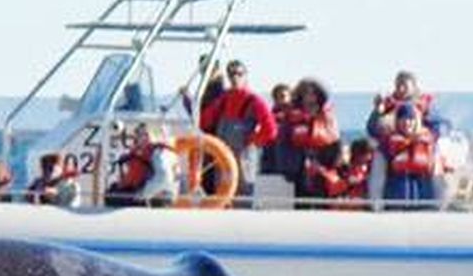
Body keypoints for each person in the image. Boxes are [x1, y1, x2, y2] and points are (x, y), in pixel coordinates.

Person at [197, 60, 276, 203]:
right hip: (223, 156)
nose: (235, 77)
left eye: (239, 73)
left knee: (243, 194)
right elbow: (204, 122)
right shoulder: (223, 99)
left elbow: (270, 130)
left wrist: (251, 140)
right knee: (221, 193)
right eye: (231, 74)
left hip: (243, 157)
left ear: (246, 76)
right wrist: (191, 102)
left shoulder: (255, 100)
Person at [287, 79, 340, 204]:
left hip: (323, 166)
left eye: (313, 94)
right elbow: (285, 142)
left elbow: (335, 141)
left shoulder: (327, 116)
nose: (309, 98)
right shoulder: (292, 117)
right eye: (306, 94)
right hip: (298, 167)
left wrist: (328, 165)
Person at [106, 123, 178, 207]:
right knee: (111, 193)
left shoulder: (158, 151)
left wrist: (141, 195)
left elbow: (163, 177)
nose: (138, 137)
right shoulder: (138, 152)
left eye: (143, 133)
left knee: (112, 197)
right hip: (136, 192)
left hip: (149, 197)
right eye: (138, 133)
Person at [380, 104, 437, 209]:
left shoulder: (428, 143)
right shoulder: (387, 144)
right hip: (396, 203)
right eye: (403, 119)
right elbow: (378, 175)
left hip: (424, 200)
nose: (407, 123)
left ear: (417, 122)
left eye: (411, 119)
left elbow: (437, 175)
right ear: (397, 121)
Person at [368, 70, 448, 140]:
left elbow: (442, 126)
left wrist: (429, 133)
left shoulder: (424, 104)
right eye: (398, 86)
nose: (401, 89)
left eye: (405, 86)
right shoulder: (387, 105)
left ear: (413, 87)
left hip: (419, 144)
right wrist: (377, 112)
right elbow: (371, 129)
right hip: (392, 147)